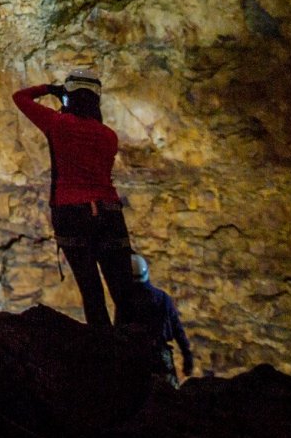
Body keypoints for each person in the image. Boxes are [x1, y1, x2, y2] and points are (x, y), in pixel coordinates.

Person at [13, 69, 137, 328]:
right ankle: (132, 350)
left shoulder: (57, 124)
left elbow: (20, 97)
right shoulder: (108, 135)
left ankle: (102, 352)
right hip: (109, 212)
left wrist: (49, 89)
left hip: (70, 213)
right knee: (123, 291)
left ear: (69, 95)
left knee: (91, 292)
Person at [130, 255, 194, 383]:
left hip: (135, 359)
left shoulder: (127, 302)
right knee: (168, 398)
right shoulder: (163, 298)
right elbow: (177, 329)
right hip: (161, 358)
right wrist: (187, 357)